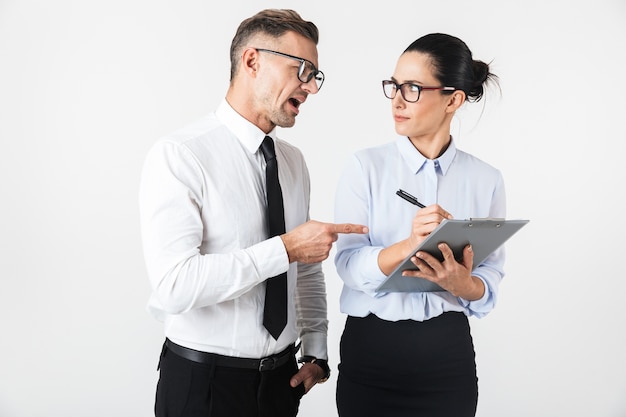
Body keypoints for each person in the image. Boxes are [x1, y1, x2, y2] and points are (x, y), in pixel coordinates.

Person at [139, 9, 367, 417]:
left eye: (315, 75)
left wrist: (315, 348)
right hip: (203, 386)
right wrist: (285, 248)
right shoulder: (181, 155)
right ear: (251, 61)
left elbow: (307, 265)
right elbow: (174, 285)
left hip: (280, 384)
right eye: (302, 70)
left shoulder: (293, 161)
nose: (311, 88)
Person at [333, 33, 504, 417]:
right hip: (372, 352)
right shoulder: (365, 167)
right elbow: (347, 266)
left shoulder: (486, 179)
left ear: (453, 99)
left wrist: (465, 286)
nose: (396, 99)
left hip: (447, 356)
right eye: (394, 86)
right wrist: (409, 243)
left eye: (412, 88)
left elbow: (491, 275)